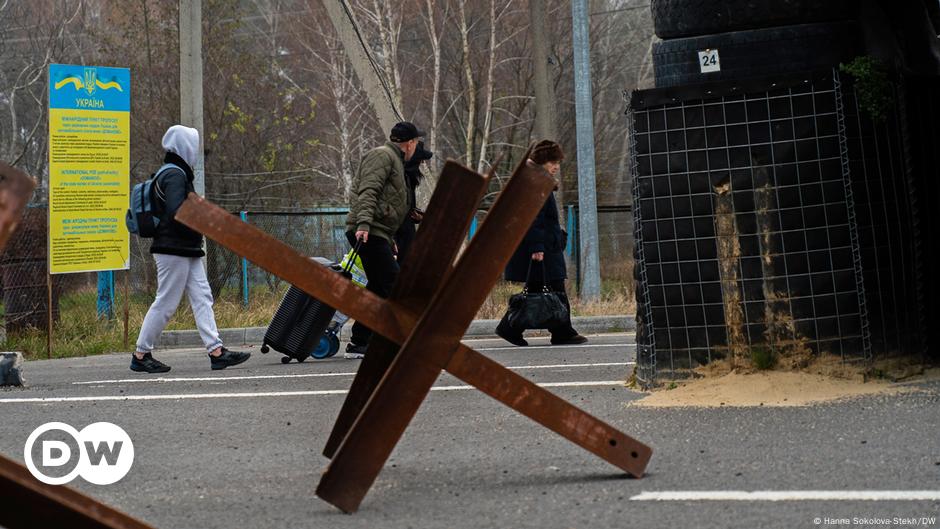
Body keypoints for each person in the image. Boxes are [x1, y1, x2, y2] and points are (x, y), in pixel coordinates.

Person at [130, 125, 251, 373]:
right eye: (192, 145)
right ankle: (141, 354)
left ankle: (216, 351)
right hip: (173, 247)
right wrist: (200, 213)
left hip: (184, 247)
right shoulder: (175, 175)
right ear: (184, 147)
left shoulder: (173, 173)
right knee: (166, 302)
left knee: (202, 297)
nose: (195, 151)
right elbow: (177, 211)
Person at [496, 140, 588, 347]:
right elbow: (533, 218)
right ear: (542, 161)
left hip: (546, 244)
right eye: (553, 161)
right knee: (554, 287)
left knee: (542, 287)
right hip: (542, 246)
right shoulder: (536, 183)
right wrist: (537, 247)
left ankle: (512, 327)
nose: (556, 166)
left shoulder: (537, 180)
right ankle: (561, 332)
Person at [344, 121, 423, 359]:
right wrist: (365, 224)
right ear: (409, 143)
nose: (416, 147)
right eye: (416, 143)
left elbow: (390, 201)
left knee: (378, 288)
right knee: (394, 284)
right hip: (368, 231)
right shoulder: (383, 156)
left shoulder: (396, 161)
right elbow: (368, 190)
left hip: (379, 233)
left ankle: (359, 342)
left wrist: (390, 237)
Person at [394, 141, 433, 264]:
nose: (422, 163)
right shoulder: (403, 177)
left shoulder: (409, 178)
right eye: (421, 159)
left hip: (404, 232)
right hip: (399, 234)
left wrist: (417, 216)